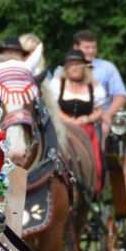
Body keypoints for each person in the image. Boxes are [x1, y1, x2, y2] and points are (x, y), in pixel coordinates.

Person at [47, 50, 107, 184]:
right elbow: (53, 107)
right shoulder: (57, 84)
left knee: (96, 153)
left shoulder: (94, 86)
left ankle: (94, 180)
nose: (74, 68)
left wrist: (87, 119)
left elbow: (99, 111)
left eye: (78, 64)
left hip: (86, 126)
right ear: (66, 68)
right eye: (70, 65)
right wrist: (69, 121)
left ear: (84, 67)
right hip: (62, 125)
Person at [71, 29, 126, 126]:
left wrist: (108, 114)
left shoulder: (107, 68)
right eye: (87, 47)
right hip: (70, 119)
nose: (91, 51)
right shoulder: (62, 70)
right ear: (76, 48)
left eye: (93, 47)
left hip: (99, 119)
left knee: (104, 127)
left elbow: (121, 95)